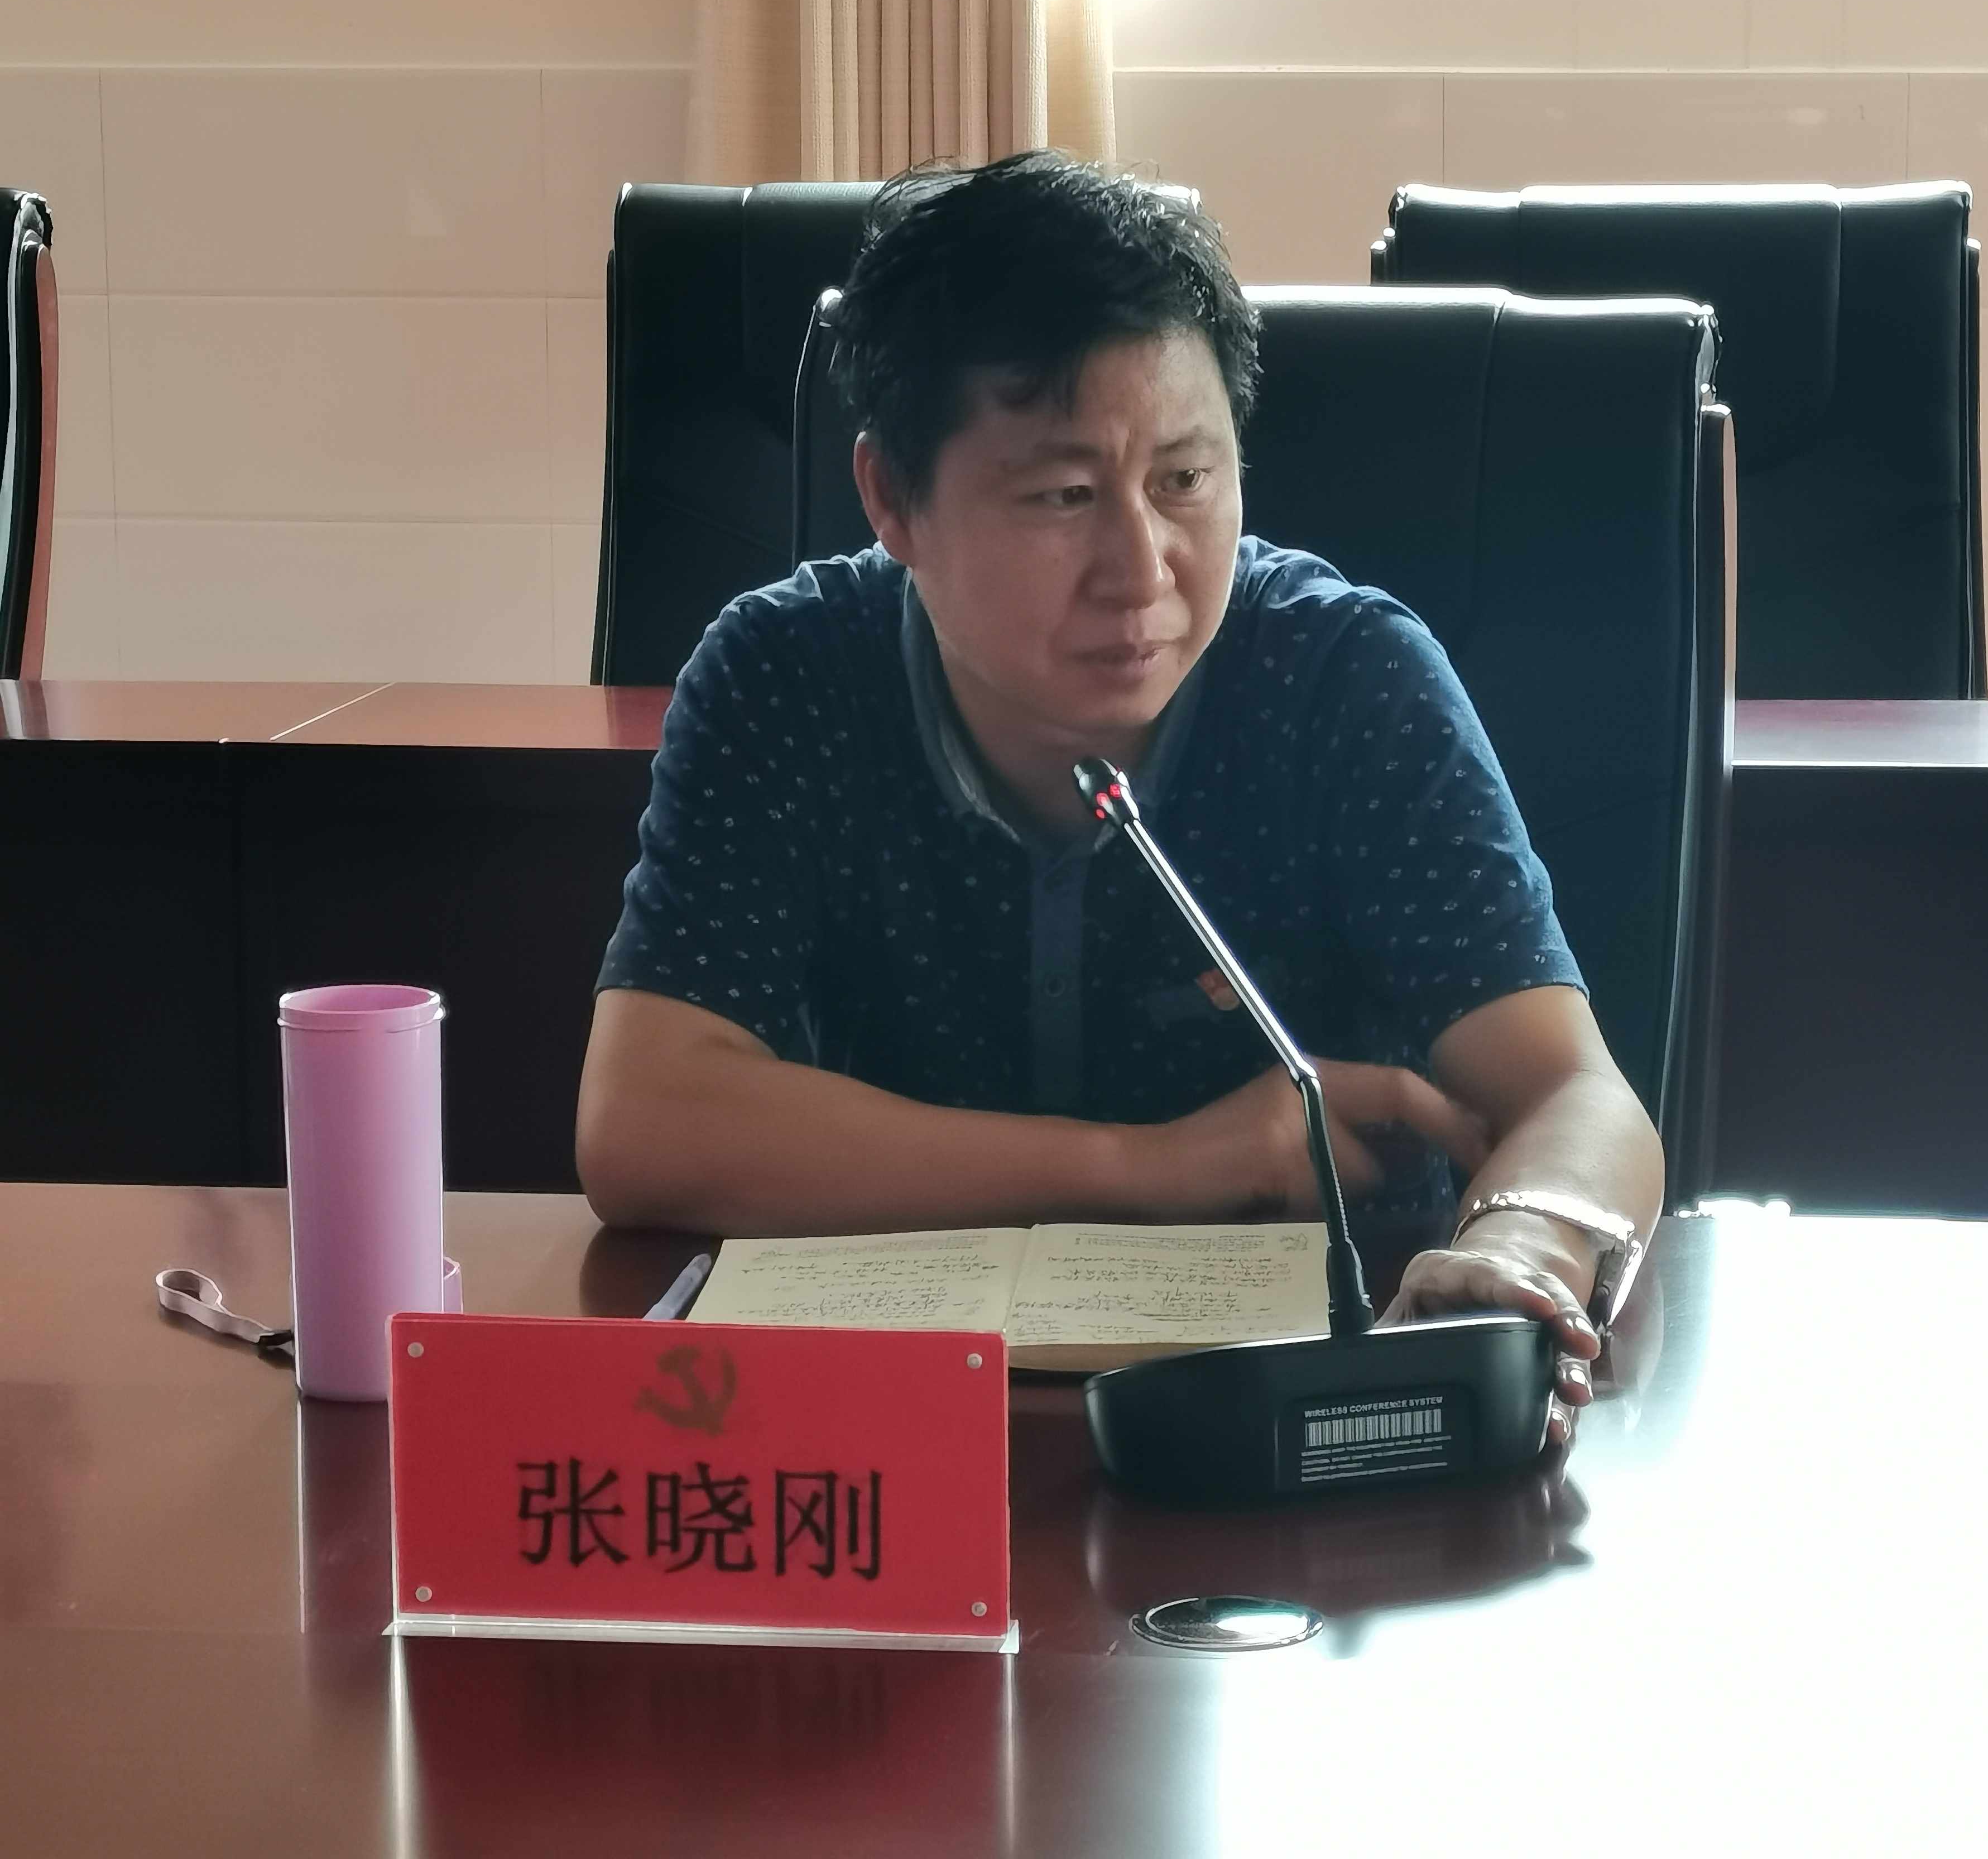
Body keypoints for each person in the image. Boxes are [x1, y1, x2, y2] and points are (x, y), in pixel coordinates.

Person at [576, 152, 1662, 1438]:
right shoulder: (785, 676)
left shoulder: (1341, 677)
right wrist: (1152, 1167)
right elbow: (646, 1122)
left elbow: (1578, 1100)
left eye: (1185, 481)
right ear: (892, 501)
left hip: (1303, 1431)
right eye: (1065, 496)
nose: (1141, 570)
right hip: (907, 1438)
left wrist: (1522, 1248)